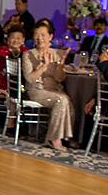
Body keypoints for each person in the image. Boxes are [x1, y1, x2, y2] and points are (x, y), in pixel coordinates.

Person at [22, 18, 76, 150]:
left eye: (43, 35)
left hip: (54, 89)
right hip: (37, 91)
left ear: (50, 37)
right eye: (36, 35)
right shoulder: (28, 55)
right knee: (61, 100)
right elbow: (29, 78)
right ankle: (53, 139)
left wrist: (61, 64)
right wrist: (44, 66)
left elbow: (59, 78)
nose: (39, 38)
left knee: (68, 101)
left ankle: (66, 138)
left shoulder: (56, 53)